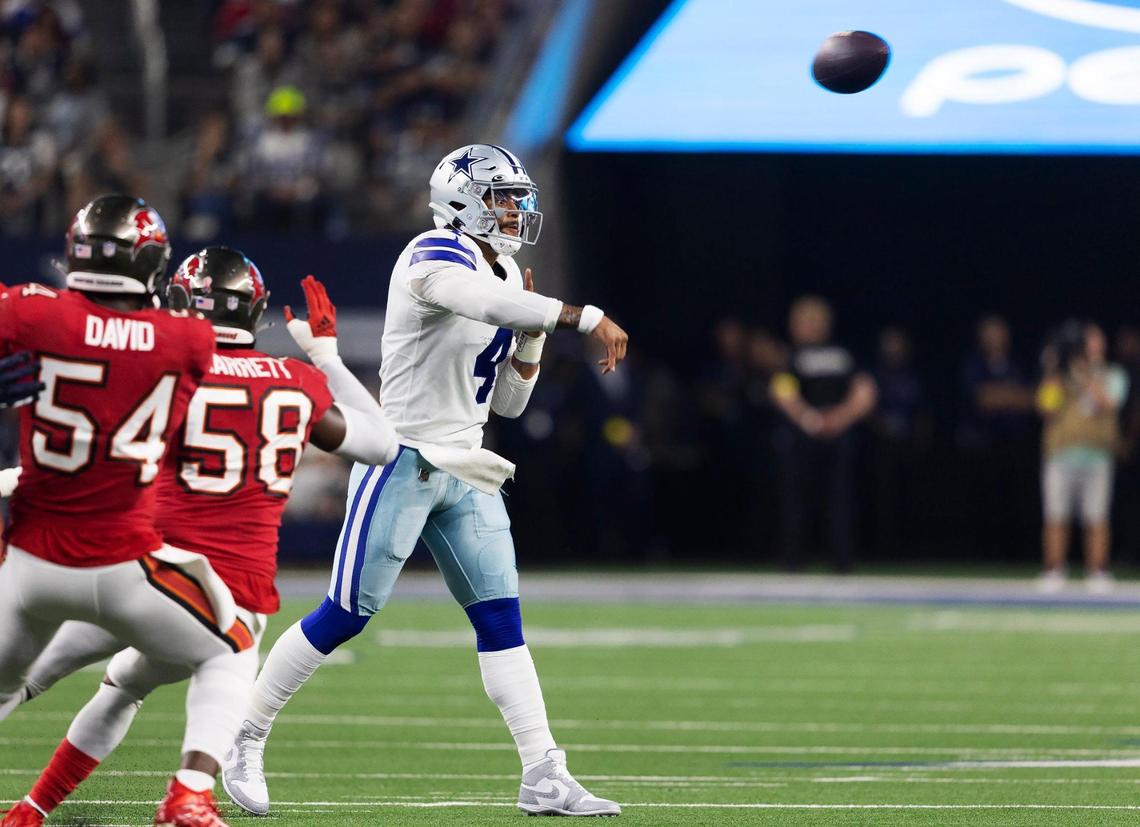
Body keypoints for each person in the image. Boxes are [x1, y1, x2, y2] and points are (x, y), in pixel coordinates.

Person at [222, 143, 627, 818]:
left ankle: (543, 772)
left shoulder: (499, 270)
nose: (516, 209)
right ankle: (242, 736)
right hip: (402, 459)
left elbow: (507, 406)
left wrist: (533, 338)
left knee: (502, 621)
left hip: (467, 463)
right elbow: (481, 302)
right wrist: (579, 316)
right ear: (464, 199)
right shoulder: (430, 254)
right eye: (503, 196)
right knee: (345, 612)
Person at [0, 249, 400, 827]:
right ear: (257, 312)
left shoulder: (162, 366)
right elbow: (383, 444)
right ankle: (187, 791)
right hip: (229, 590)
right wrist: (327, 358)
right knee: (204, 661)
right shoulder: (295, 380)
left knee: (42, 678)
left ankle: (32, 810)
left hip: (135, 567)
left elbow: (90, 449)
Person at [0, 195, 262, 826]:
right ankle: (188, 795)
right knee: (232, 646)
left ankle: (31, 810)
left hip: (30, 562)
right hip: (123, 562)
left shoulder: (32, 313)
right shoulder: (187, 338)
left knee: (9, 683)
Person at [770, 296, 876, 571]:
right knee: (795, 500)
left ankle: (842, 562)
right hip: (801, 435)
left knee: (840, 499)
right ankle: (793, 562)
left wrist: (840, 418)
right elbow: (782, 391)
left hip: (839, 435)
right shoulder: (792, 356)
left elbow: (865, 390)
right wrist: (809, 418)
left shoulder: (844, 354)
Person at [1036, 321, 1128, 593]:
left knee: (1097, 516)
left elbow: (1107, 402)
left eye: (1094, 341)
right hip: (1061, 455)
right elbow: (1046, 408)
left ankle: (1097, 571)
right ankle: (1054, 570)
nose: (1088, 347)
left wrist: (1086, 373)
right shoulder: (1060, 375)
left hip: (1097, 458)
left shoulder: (1113, 374)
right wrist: (1055, 372)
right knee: (1055, 515)